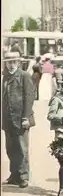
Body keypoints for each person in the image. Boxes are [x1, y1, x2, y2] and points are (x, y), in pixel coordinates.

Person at [1, 52, 36, 188]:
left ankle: (23, 176)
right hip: (8, 119)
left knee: (22, 149)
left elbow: (29, 97)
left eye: (14, 62)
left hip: (21, 118)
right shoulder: (5, 77)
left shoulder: (24, 76)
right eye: (9, 62)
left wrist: (26, 117)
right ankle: (14, 175)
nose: (11, 64)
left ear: (18, 63)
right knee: (10, 148)